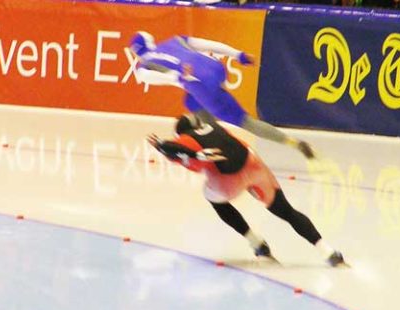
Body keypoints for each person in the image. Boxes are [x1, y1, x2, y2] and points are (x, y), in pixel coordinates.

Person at [147, 113, 347, 267]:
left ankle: (256, 243)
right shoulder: (214, 126)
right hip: (253, 164)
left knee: (212, 197)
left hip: (228, 179)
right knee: (286, 211)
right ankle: (328, 252)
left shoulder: (186, 139)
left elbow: (172, 147)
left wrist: (171, 148)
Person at [129, 31, 317, 163]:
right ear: (151, 41)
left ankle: (293, 143)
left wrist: (176, 77)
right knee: (190, 101)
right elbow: (208, 44)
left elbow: (145, 76)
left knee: (246, 122)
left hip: (198, 82)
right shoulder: (175, 40)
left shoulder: (144, 63)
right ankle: (220, 138)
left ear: (136, 52)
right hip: (215, 67)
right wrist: (238, 54)